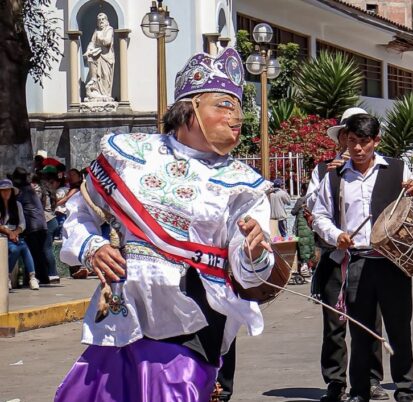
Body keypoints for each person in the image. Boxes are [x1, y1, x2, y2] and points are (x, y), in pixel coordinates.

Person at [54, 47, 276, 400]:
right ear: (190, 109)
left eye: (237, 108)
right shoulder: (130, 154)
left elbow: (251, 273)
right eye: (224, 105)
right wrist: (91, 248)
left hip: (192, 321)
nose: (237, 118)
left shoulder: (243, 184)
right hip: (123, 317)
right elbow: (81, 211)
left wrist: (253, 251)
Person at [313, 113, 413, 402]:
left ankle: (403, 387)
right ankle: (360, 389)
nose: (358, 149)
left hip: (391, 261)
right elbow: (320, 216)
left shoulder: (398, 169)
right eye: (353, 142)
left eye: (364, 142)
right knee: (360, 329)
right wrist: (336, 234)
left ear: (377, 141)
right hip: (357, 261)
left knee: (399, 326)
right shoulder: (335, 176)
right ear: (346, 141)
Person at [308, 107, 388, 402]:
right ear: (341, 138)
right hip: (334, 256)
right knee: (334, 322)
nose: (353, 144)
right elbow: (311, 207)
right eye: (347, 135)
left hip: (367, 256)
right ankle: (335, 381)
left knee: (369, 322)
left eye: (360, 137)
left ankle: (371, 379)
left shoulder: (378, 170)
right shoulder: (324, 171)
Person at [11, 167, 49, 285]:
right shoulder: (29, 189)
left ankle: (33, 278)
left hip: (33, 227)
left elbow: (15, 206)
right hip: (41, 225)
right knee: (39, 254)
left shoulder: (22, 192)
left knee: (32, 253)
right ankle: (43, 278)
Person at [1, 179, 39, 290]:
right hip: (2, 236)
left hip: (14, 235)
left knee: (23, 246)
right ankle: (6, 277)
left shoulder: (17, 205)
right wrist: (9, 233)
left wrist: (15, 232)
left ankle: (32, 277)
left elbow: (22, 223)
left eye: (8, 190)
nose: (6, 193)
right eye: (3, 191)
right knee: (16, 249)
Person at [84, 12, 115, 101]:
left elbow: (107, 41)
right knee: (97, 75)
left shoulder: (109, 29)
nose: (101, 21)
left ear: (106, 20)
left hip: (107, 57)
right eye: (99, 20)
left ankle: (106, 94)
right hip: (97, 56)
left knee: (105, 75)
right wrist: (89, 49)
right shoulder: (96, 31)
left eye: (103, 19)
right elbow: (92, 42)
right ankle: (96, 91)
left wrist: (100, 37)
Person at [39, 166, 62, 283]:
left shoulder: (41, 191)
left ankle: (53, 274)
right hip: (53, 220)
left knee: (46, 249)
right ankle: (50, 273)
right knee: (47, 248)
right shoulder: (49, 190)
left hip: (47, 221)